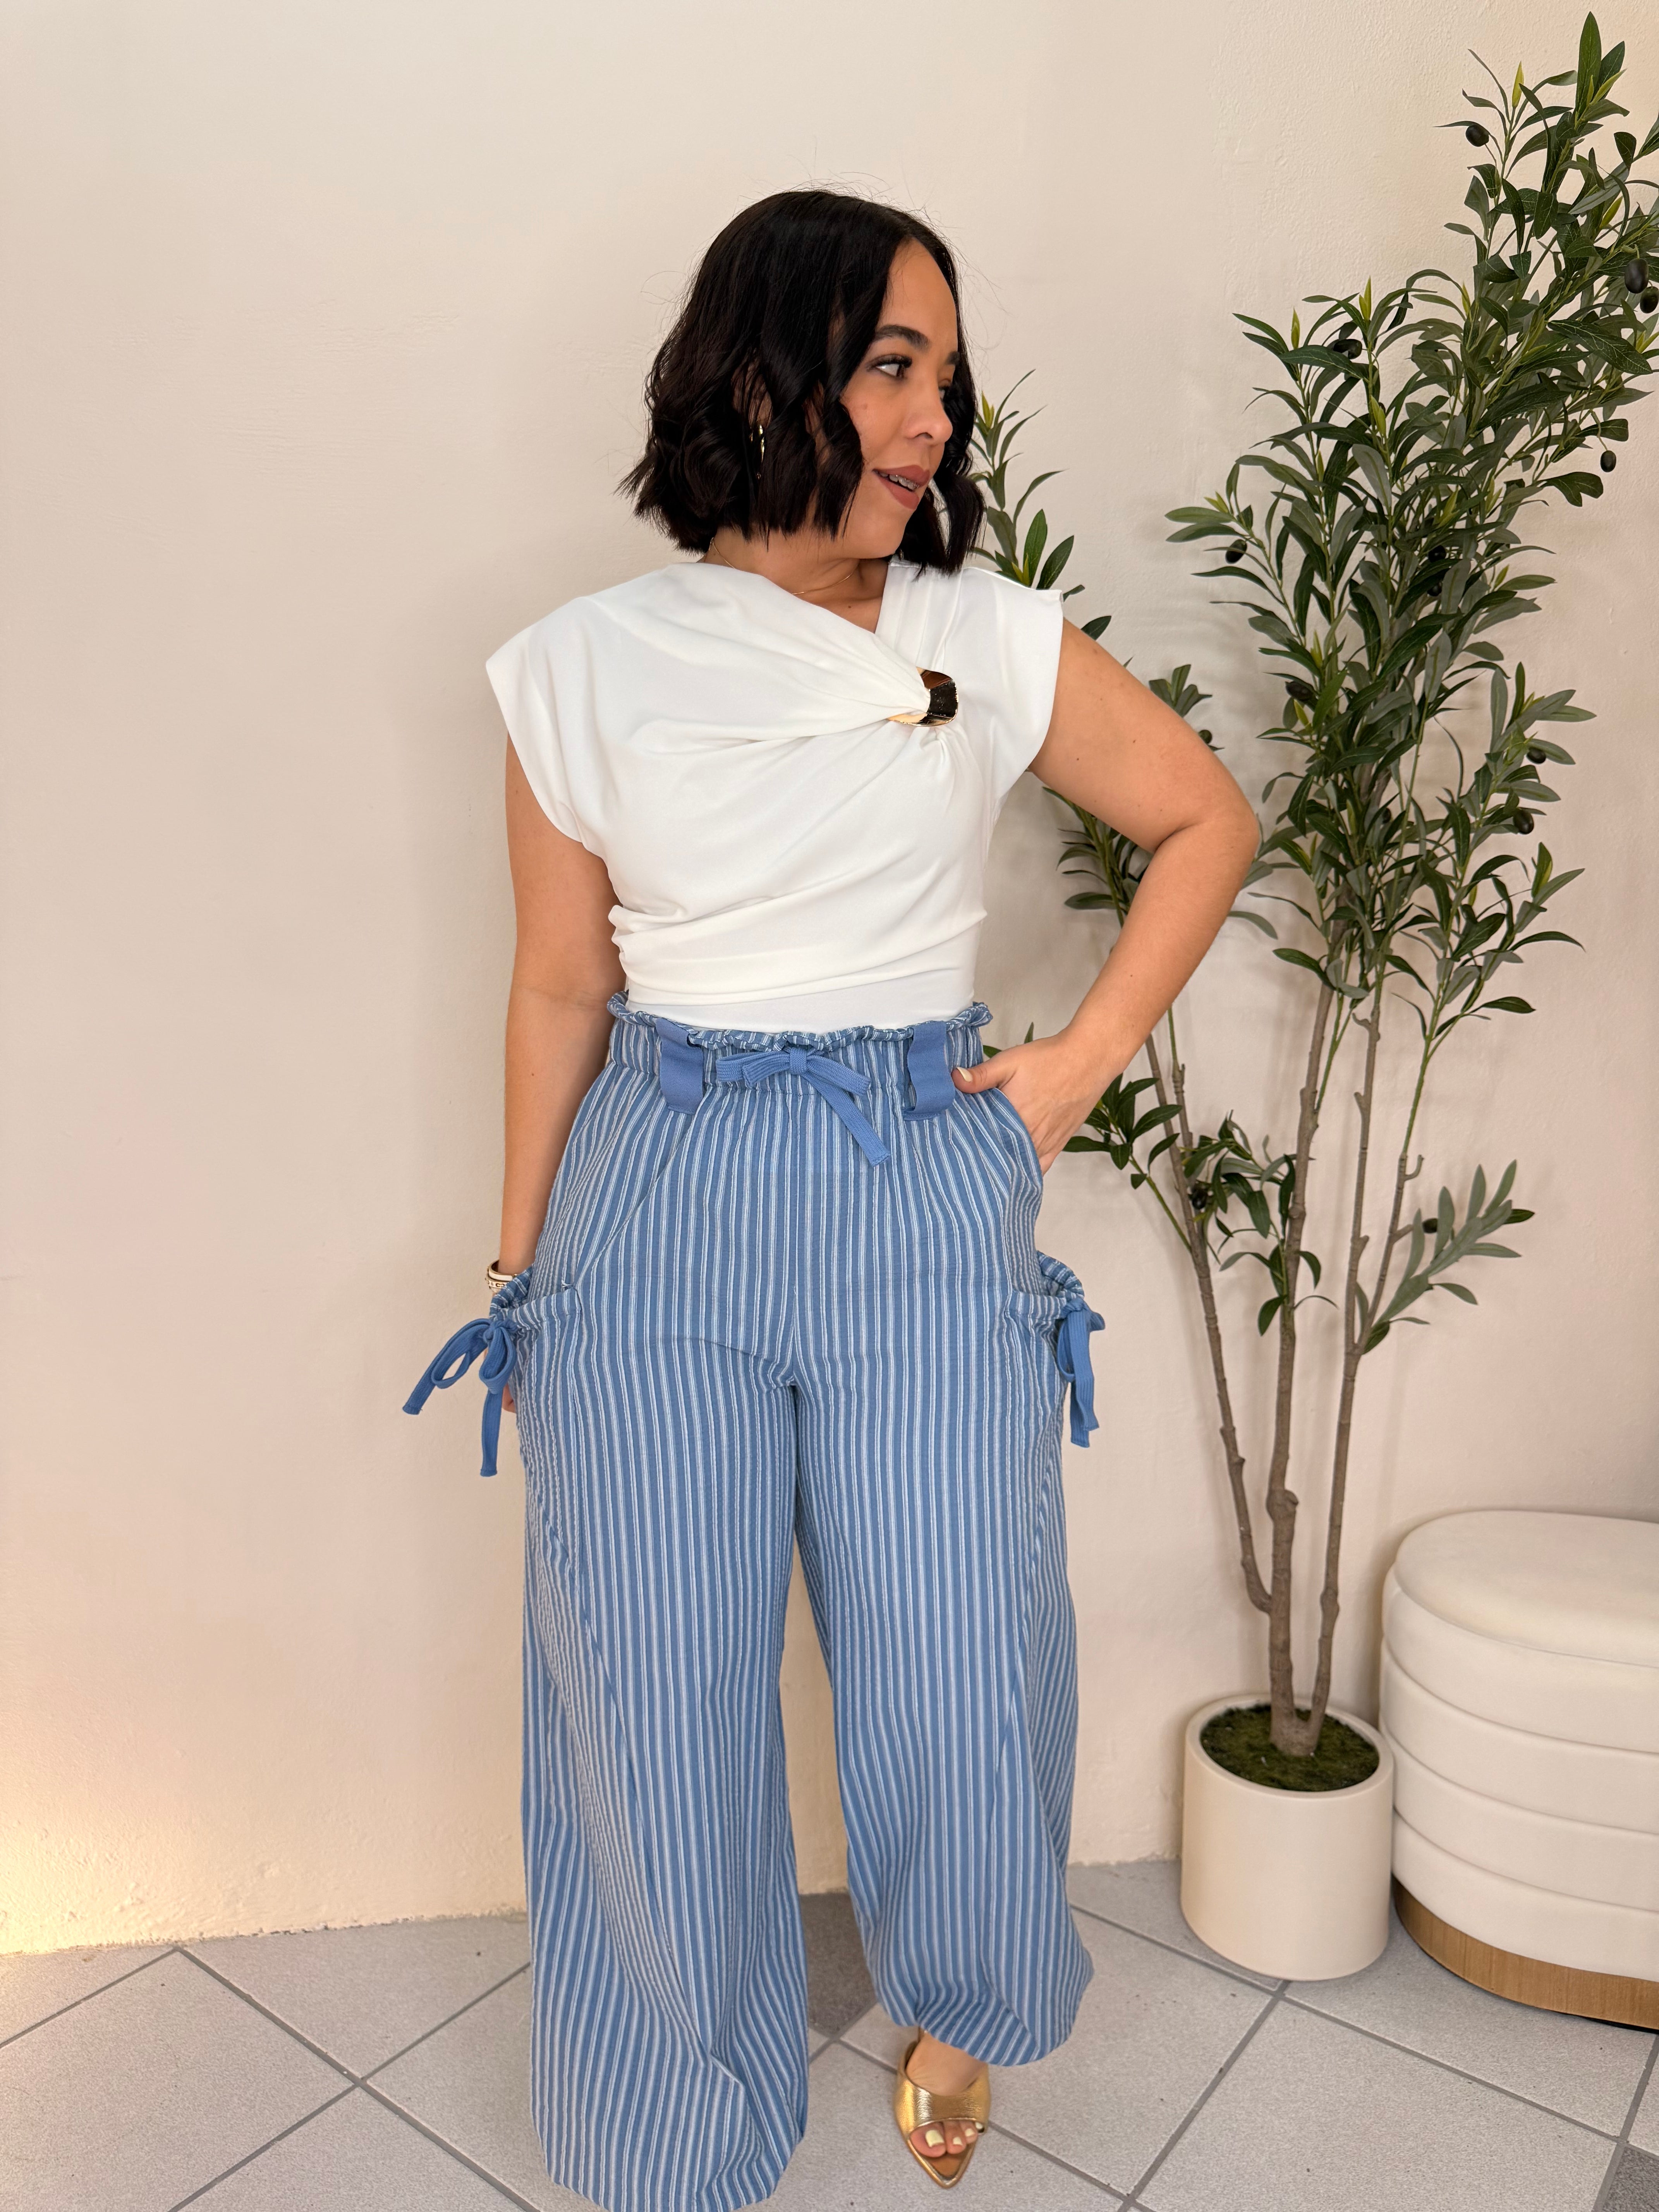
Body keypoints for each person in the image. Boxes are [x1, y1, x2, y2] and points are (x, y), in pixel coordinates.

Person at [405, 187, 1259, 2212]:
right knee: (651, 1687)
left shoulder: (987, 637)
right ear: (758, 375)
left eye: (946, 375)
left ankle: (959, 2001)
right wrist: (522, 1275)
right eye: (890, 365)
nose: (932, 417)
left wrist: (1071, 1069)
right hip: (661, 1191)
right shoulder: (577, 670)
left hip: (915, 1179)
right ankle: (674, 2127)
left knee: (962, 1652)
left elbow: (1205, 820)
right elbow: (559, 986)